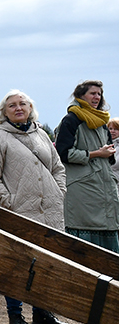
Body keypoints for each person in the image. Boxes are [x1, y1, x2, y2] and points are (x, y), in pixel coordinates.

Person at [0, 90, 72, 324]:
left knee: (47, 264)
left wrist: (59, 191)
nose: (18, 108)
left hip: (50, 210)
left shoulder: (41, 134)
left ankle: (43, 314)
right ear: (4, 112)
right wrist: (9, 202)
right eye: (12, 105)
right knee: (18, 264)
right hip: (21, 211)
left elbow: (58, 168)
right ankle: (16, 317)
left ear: (30, 108)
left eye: (23, 104)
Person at [55, 80, 119, 253]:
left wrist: (107, 155)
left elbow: (109, 156)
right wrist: (96, 153)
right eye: (93, 93)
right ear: (81, 95)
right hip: (82, 188)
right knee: (83, 241)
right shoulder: (71, 120)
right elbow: (64, 153)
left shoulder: (101, 121)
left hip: (104, 184)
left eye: (99, 94)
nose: (97, 97)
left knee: (109, 231)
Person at [109, 117, 119, 182]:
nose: (112, 131)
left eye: (116, 129)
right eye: (110, 128)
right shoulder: (103, 143)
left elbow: (115, 165)